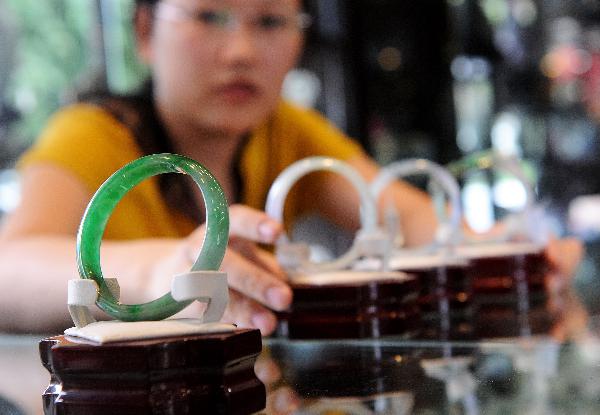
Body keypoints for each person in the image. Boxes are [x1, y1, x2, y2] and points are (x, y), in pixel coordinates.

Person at [0, 0, 581, 335]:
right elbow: (8, 272)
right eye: (208, 16)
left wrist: (512, 249)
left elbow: (413, 220)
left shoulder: (286, 130)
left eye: (272, 22)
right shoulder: (92, 134)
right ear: (146, 32)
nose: (242, 52)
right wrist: (164, 270)